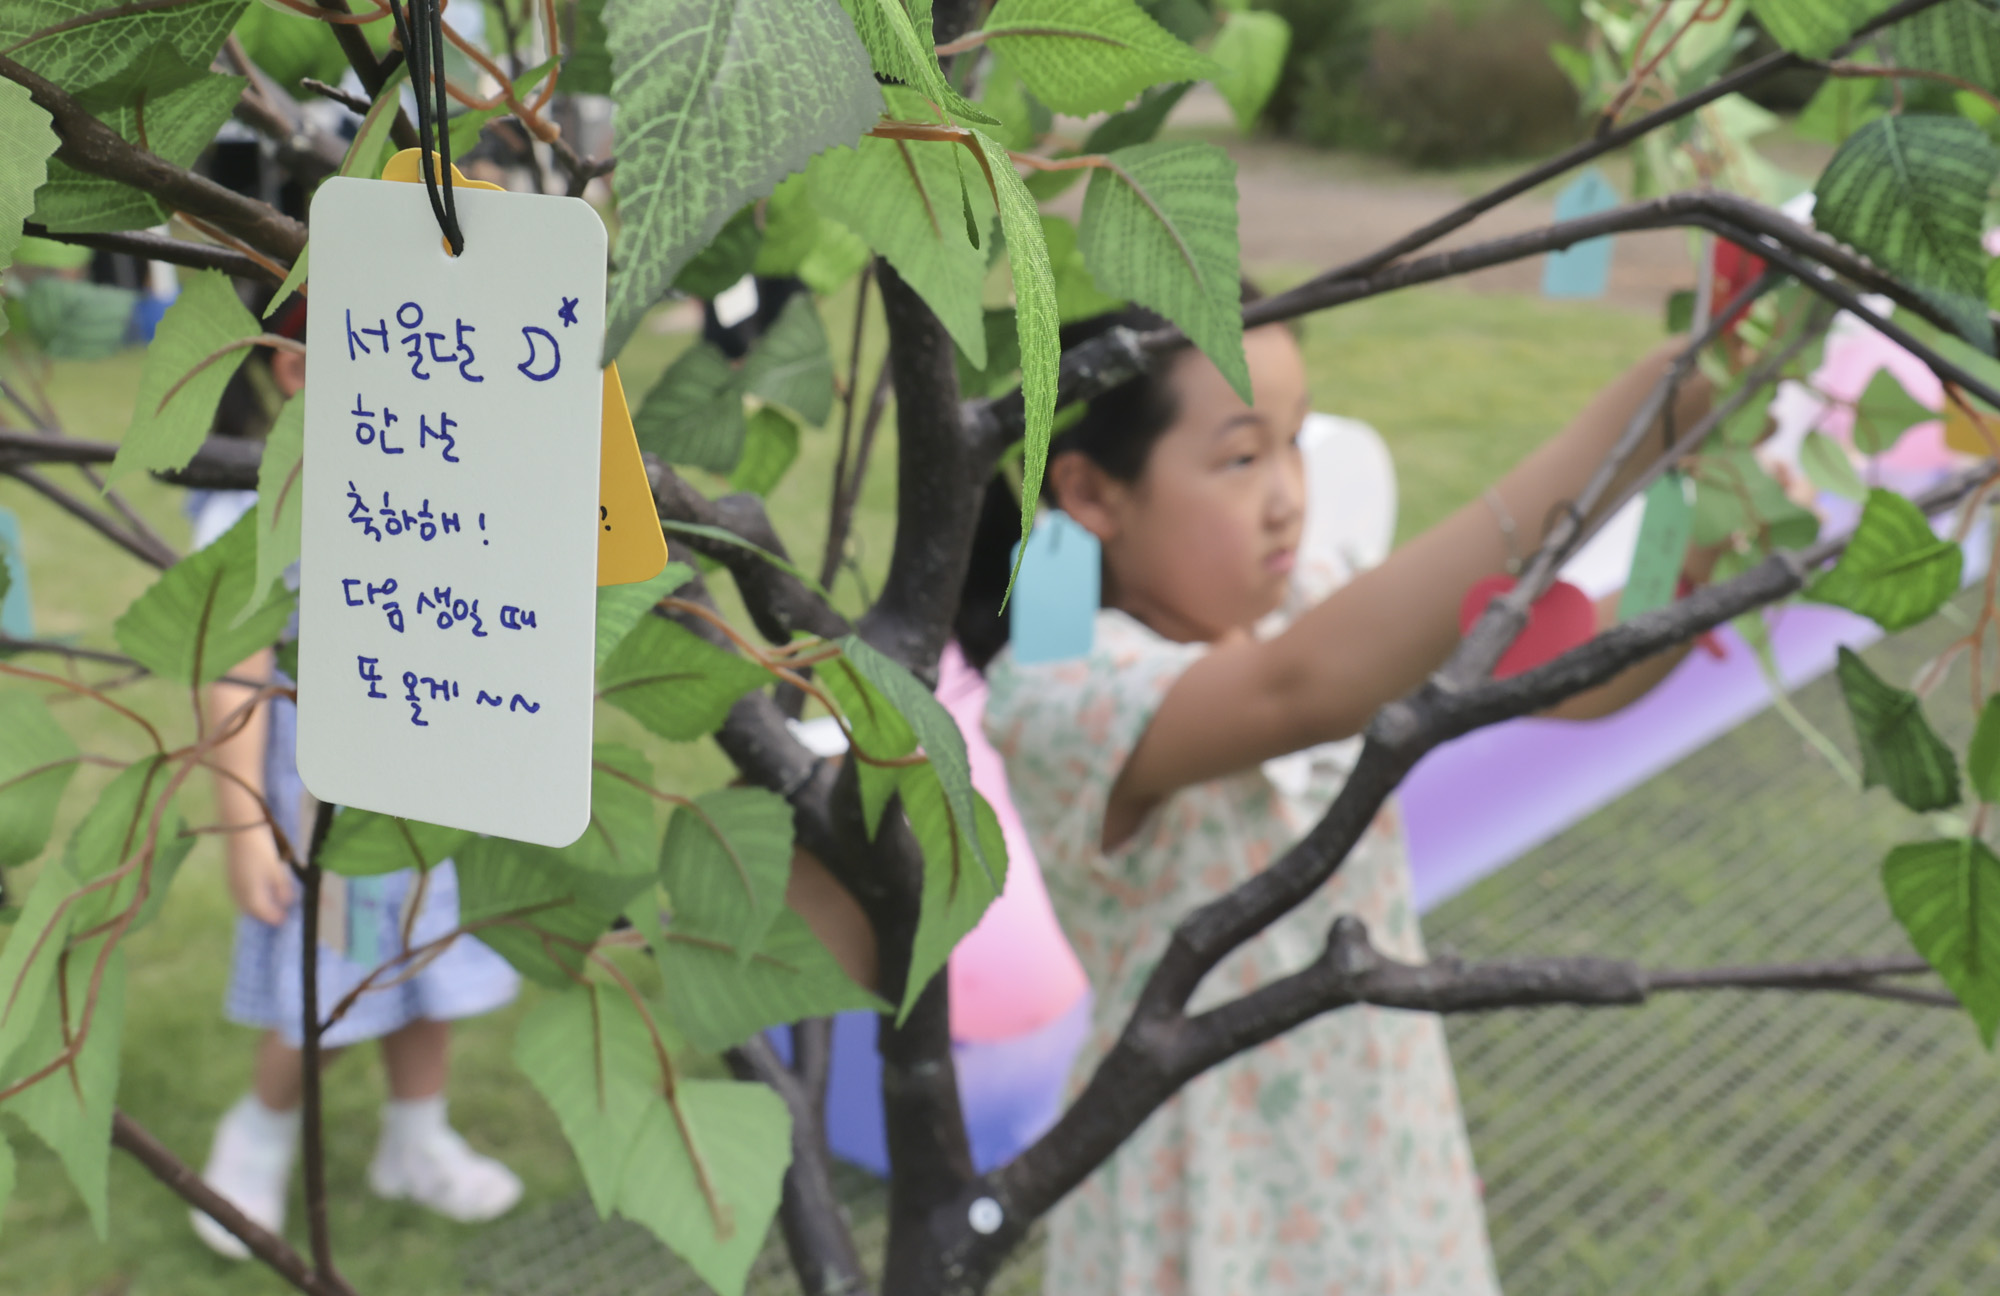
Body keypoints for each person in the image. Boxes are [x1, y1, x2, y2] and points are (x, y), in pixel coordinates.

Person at [960, 303, 1714, 1295]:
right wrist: (1613, 437)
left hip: (1376, 1141)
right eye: (1239, 459)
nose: (1285, 498)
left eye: (1294, 444)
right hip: (1209, 1181)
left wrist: (1692, 527)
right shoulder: (1060, 690)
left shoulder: (1318, 597)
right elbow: (1295, 692)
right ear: (1092, 492)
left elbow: (1571, 672)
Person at [190, 298, 525, 1259]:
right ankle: (253, 1141)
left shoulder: (434, 479)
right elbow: (234, 671)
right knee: (326, 994)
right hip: (327, 808)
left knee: (425, 980)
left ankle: (415, 1140)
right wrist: (249, 821)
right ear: (295, 375)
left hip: (427, 796)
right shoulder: (262, 507)